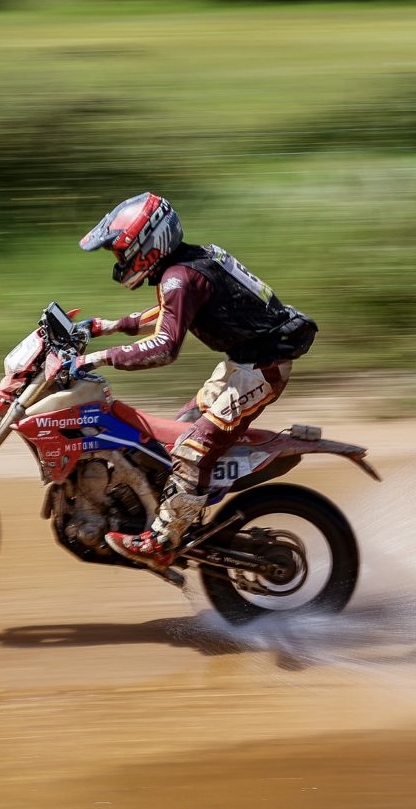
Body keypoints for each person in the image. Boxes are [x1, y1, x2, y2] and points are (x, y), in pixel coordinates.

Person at [73, 192, 317, 575]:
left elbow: (164, 346)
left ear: (147, 245)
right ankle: (172, 512)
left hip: (261, 370)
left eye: (121, 253)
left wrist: (98, 357)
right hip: (243, 364)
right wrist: (108, 326)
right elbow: (172, 310)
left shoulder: (179, 277)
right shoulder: (190, 262)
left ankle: (163, 541)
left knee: (192, 447)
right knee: (168, 439)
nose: (119, 263)